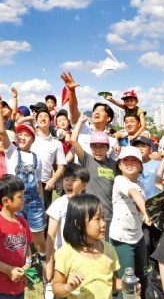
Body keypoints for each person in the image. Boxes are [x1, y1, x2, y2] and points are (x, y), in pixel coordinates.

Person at [0, 93, 47, 265]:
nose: (22, 137)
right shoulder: (12, 153)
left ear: (33, 139)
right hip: (15, 202)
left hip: (33, 202)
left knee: (39, 238)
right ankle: (27, 264)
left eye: (27, 135)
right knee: (20, 236)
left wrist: (41, 202)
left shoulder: (36, 159)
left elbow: (38, 183)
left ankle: (44, 263)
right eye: (20, 134)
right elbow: (2, 130)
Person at [52, 193, 121, 299]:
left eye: (103, 217)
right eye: (97, 219)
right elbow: (56, 288)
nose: (103, 223)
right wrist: (67, 287)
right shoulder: (66, 253)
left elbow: (111, 282)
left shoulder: (109, 250)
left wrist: (126, 284)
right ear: (79, 224)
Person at [0, 174, 33, 299]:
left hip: (19, 286)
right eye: (20, 196)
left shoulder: (22, 221)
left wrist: (28, 267)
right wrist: (8, 270)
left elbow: (28, 247)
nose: (23, 199)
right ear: (6, 201)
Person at [110, 146, 151, 299]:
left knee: (143, 276)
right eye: (125, 160)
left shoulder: (141, 185)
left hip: (137, 236)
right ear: (119, 165)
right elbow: (134, 194)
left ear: (140, 166)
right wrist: (146, 212)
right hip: (122, 239)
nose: (129, 163)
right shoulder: (120, 180)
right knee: (127, 283)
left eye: (134, 160)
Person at [44, 163, 90, 299]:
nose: (68, 184)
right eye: (66, 179)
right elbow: (50, 235)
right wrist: (49, 262)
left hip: (83, 256)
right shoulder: (58, 204)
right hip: (61, 258)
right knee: (61, 290)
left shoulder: (89, 205)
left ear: (84, 184)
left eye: (74, 180)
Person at [70, 114, 116, 239]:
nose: (98, 150)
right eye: (95, 146)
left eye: (102, 147)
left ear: (107, 148)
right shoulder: (88, 160)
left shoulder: (114, 164)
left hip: (109, 214)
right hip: (90, 212)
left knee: (106, 247)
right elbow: (73, 140)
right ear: (90, 148)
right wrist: (79, 121)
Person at [61, 72, 119, 160]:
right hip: (80, 173)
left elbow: (115, 163)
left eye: (102, 110)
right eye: (95, 110)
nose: (97, 112)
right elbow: (73, 110)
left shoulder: (113, 141)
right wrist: (72, 91)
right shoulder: (83, 128)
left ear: (108, 118)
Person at [31, 106, 66, 212]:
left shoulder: (57, 143)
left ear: (51, 121)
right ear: (36, 121)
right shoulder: (30, 139)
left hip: (46, 185)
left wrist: (53, 180)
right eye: (40, 116)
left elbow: (61, 166)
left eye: (46, 116)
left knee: (44, 215)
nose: (43, 118)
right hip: (29, 182)